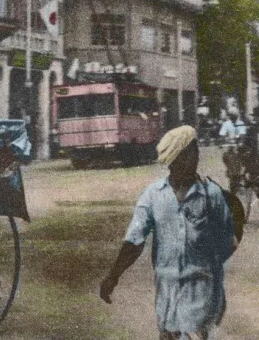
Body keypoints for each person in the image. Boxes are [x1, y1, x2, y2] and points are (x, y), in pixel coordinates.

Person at [100, 125, 236, 339]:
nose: (197, 158)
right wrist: (113, 276)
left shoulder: (212, 194)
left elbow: (228, 241)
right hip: (166, 290)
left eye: (196, 151)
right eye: (191, 152)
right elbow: (134, 241)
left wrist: (210, 273)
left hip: (200, 289)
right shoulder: (153, 195)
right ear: (175, 158)